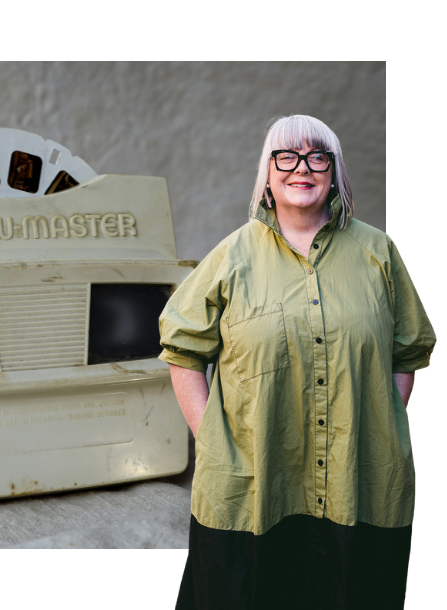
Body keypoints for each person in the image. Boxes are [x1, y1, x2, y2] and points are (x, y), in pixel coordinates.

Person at [158, 115, 435, 610]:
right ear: (267, 172)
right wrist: (214, 440)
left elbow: (406, 351)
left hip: (360, 483)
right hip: (254, 487)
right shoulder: (232, 257)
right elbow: (182, 350)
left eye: (317, 156)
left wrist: (377, 425)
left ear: (335, 171)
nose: (301, 168)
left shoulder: (379, 253)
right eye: (286, 156)